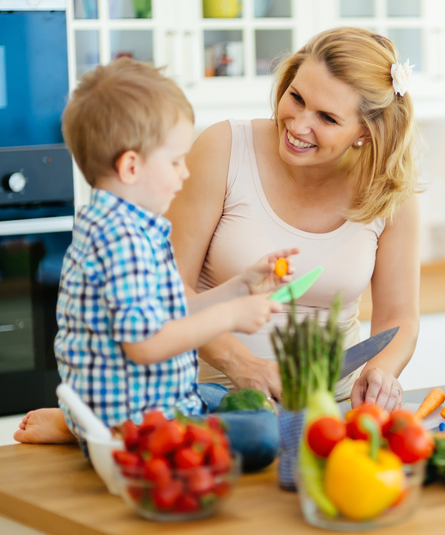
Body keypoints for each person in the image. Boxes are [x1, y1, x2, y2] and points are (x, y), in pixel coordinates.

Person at [14, 58, 297, 471]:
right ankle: (87, 433)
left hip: (158, 400)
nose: (185, 174)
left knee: (238, 402)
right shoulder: (122, 239)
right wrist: (230, 317)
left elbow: (166, 310)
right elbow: (145, 346)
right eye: (176, 160)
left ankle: (79, 426)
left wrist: (239, 288)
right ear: (131, 166)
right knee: (263, 434)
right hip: (136, 430)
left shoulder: (129, 225)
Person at [166, 27, 421, 412]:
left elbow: (399, 316)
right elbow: (167, 291)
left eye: (327, 118)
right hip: (210, 401)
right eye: (296, 97)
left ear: (365, 132)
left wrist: (382, 370)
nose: (299, 125)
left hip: (330, 408)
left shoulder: (387, 189)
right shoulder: (224, 149)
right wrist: (244, 366)